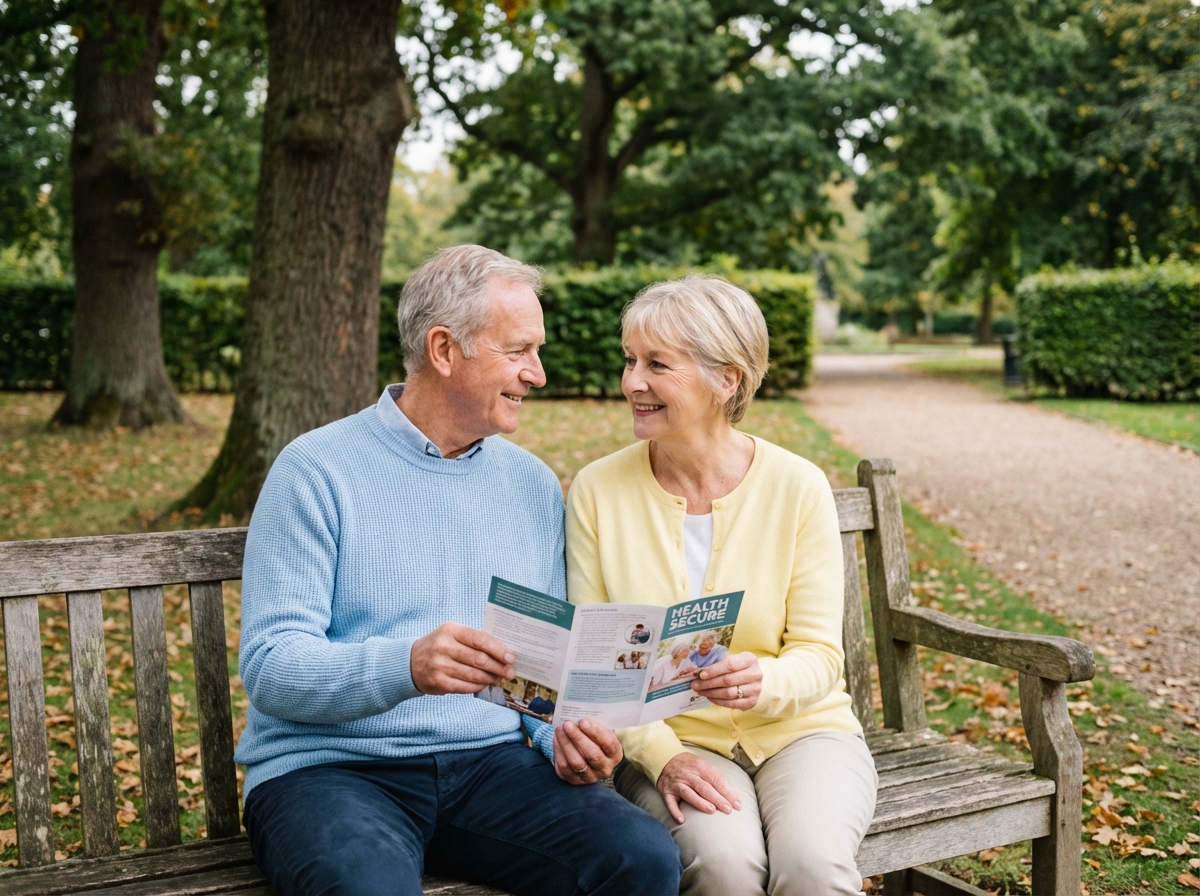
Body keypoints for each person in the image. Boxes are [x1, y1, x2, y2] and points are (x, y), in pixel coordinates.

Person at [235, 245, 681, 896]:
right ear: (444, 351)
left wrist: (563, 730)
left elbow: (536, 666)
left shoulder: (529, 484)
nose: (539, 374)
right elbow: (272, 668)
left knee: (638, 856)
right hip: (332, 770)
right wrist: (407, 665)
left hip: (490, 766)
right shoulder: (314, 472)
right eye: (519, 351)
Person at [566, 275, 878, 896]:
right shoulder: (597, 492)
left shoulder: (798, 486)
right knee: (725, 866)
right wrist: (661, 757)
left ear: (727, 379)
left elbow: (820, 654)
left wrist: (765, 682)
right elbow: (597, 671)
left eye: (657, 364)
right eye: (630, 360)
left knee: (814, 867)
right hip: (674, 738)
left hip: (804, 731)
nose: (632, 382)